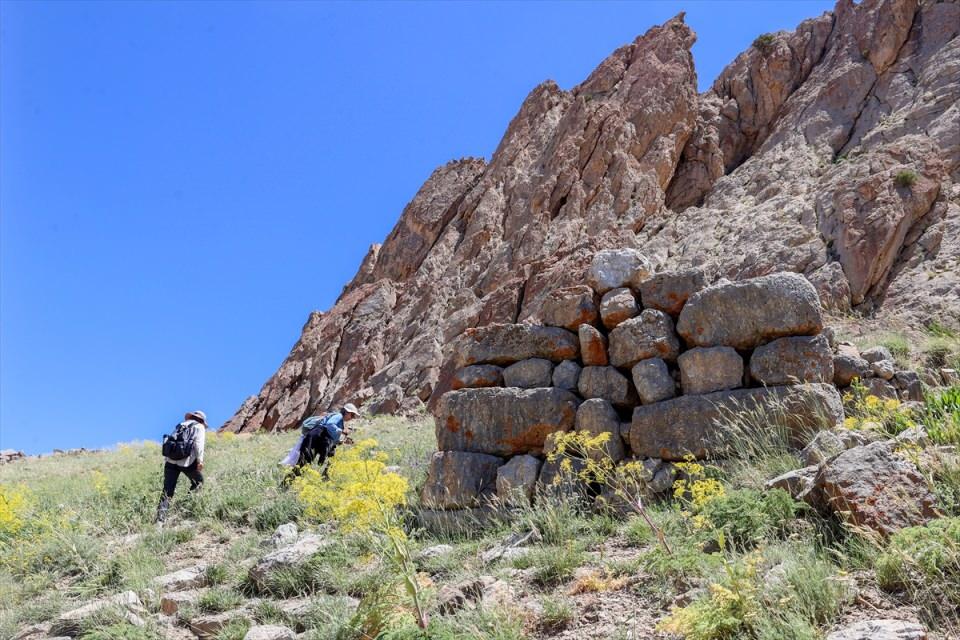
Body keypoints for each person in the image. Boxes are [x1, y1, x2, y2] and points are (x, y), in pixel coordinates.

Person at [156, 410, 207, 523]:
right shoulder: (199, 427)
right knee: (198, 482)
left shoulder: (180, 425)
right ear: (201, 420)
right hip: (186, 461)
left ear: (191, 417)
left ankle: (159, 521)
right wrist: (200, 461)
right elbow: (199, 445)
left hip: (170, 460)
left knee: (167, 490)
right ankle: (185, 508)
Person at [287, 403, 360, 479]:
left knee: (331, 458)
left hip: (320, 439)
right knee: (304, 461)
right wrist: (342, 431)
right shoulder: (339, 416)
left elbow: (332, 438)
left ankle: (325, 477)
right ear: (347, 412)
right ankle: (288, 482)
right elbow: (329, 424)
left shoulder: (340, 422)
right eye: (352, 415)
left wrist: (343, 441)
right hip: (316, 437)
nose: (352, 418)